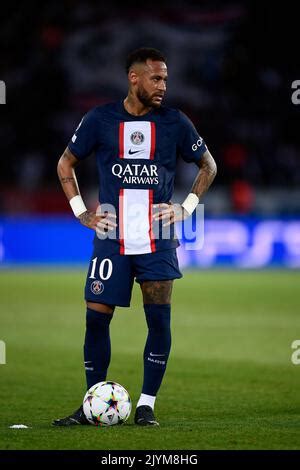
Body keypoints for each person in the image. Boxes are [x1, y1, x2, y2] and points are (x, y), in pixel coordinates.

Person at [53, 47, 217, 427]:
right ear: (134, 78)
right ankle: (91, 405)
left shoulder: (175, 122)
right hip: (111, 237)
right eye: (156, 78)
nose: (163, 85)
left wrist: (185, 208)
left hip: (157, 237)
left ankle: (146, 406)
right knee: (96, 321)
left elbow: (209, 164)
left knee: (158, 322)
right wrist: (82, 213)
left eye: (165, 79)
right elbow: (65, 162)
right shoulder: (100, 119)